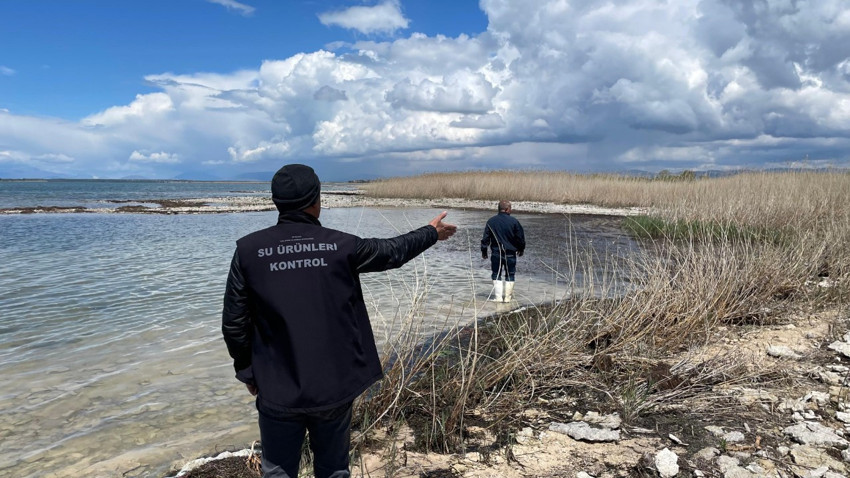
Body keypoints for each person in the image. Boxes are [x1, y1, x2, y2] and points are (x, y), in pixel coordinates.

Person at [221, 164, 457, 478]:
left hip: (276, 388)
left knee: (277, 471)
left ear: (276, 202)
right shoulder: (340, 246)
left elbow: (234, 323)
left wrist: (247, 370)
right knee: (333, 470)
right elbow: (391, 252)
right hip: (333, 386)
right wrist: (430, 233)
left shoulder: (248, 251)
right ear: (316, 200)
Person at [481, 200, 525, 303]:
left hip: (496, 253)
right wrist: (521, 249)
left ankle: (498, 298)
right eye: (510, 208)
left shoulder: (491, 221)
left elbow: (485, 239)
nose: (511, 210)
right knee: (510, 274)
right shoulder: (514, 221)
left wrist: (484, 251)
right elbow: (520, 238)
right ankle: (507, 299)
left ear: (499, 209)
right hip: (510, 253)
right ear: (507, 209)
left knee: (496, 274)